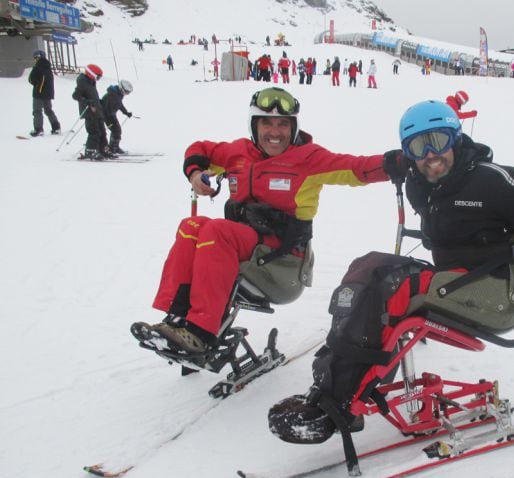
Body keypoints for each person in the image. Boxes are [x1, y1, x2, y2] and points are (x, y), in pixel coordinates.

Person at [268, 100, 514, 445]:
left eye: (438, 141)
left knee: (396, 288)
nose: (430, 155)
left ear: (456, 138)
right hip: (456, 281)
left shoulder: (494, 181)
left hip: (499, 294)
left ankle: (338, 403)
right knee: (366, 268)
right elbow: (396, 168)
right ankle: (339, 380)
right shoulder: (420, 183)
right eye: (417, 147)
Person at [131, 88, 395, 356]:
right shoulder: (239, 153)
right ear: (254, 125)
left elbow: (355, 168)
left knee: (217, 230)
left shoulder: (308, 159)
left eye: (283, 124)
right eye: (266, 123)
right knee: (191, 226)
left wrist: (395, 163)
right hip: (245, 249)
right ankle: (177, 319)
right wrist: (196, 173)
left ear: (293, 127)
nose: (275, 132)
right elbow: (199, 149)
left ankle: (200, 332)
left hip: (283, 265)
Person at [72, 64, 110, 160]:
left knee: (102, 131)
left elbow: (92, 95)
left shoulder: (91, 81)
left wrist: (99, 102)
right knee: (94, 131)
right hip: (89, 111)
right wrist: (88, 102)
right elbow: (76, 96)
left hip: (97, 109)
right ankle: (90, 150)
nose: (98, 79)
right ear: (91, 74)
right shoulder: (82, 82)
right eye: (97, 77)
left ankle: (102, 149)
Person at [28, 50, 61, 137]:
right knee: (48, 110)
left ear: (38, 57)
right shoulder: (48, 66)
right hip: (48, 93)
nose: (35, 59)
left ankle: (38, 129)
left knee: (37, 111)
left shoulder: (37, 67)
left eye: (35, 58)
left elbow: (31, 79)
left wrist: (36, 84)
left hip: (38, 94)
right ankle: (56, 127)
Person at [101, 80, 134, 154]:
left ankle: (114, 147)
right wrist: (109, 114)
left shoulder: (118, 94)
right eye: (126, 92)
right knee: (116, 130)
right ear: (121, 88)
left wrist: (126, 112)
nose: (127, 94)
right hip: (107, 116)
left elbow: (119, 105)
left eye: (128, 92)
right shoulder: (111, 95)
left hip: (112, 115)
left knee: (117, 130)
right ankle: (113, 148)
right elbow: (106, 107)